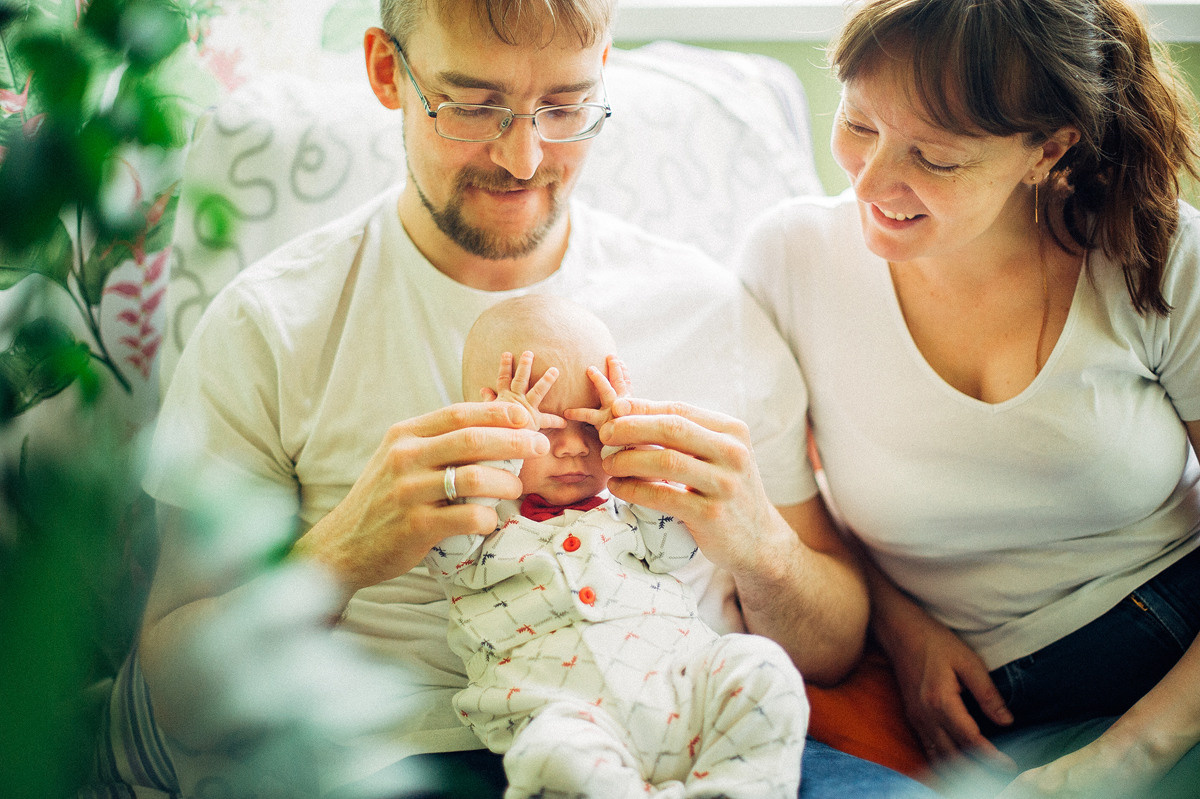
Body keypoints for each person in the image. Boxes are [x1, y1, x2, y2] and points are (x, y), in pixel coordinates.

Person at [137, 0, 936, 796]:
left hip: (706, 742)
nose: (523, 156)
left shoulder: (707, 306)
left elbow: (833, 643)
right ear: (388, 72)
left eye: (564, 106)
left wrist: (757, 541)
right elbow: (177, 694)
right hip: (414, 756)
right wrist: (342, 552)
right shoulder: (275, 324)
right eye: (475, 106)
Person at [737, 0, 1200, 797]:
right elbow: (807, 537)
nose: (875, 181)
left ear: (1048, 151)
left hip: (1175, 638)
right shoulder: (788, 262)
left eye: (937, 158)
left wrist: (1130, 753)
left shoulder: (1156, 252)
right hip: (990, 708)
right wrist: (900, 622)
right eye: (857, 124)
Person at [432, 294, 808, 798]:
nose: (573, 445)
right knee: (548, 759)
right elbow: (443, 551)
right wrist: (499, 453)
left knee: (765, 669)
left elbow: (677, 553)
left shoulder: (630, 510)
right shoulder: (478, 526)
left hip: (686, 690)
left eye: (591, 423)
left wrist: (636, 455)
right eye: (541, 423)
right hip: (568, 718)